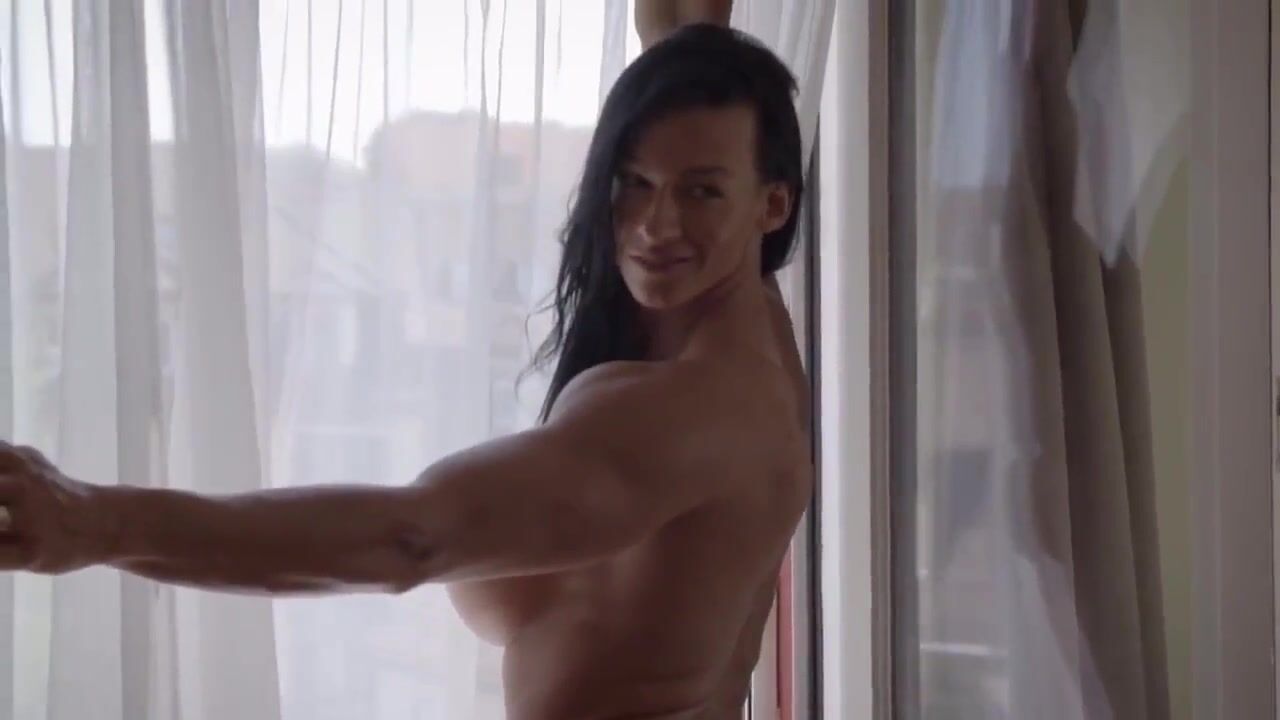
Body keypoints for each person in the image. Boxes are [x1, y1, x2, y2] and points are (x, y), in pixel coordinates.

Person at [0, 5, 811, 719]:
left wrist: (98, 522)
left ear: (772, 204)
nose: (654, 225)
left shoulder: (692, 412)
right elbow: (696, 107)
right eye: (633, 183)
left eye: (701, 192)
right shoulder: (749, 330)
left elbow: (408, 540)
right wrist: (679, 43)